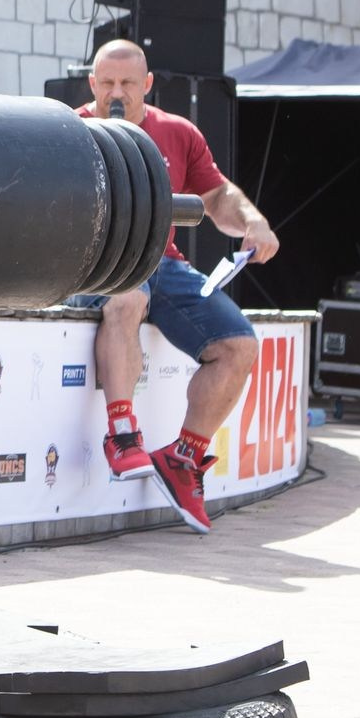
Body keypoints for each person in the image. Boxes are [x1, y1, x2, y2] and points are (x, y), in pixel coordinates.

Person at [70, 40, 280, 534]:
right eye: (106, 83)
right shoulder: (70, 130)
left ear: (147, 85)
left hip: (163, 262)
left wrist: (254, 221)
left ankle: (184, 458)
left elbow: (217, 195)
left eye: (127, 83)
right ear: (92, 83)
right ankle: (123, 434)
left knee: (239, 345)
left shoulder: (178, 132)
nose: (116, 93)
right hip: (97, 263)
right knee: (127, 297)